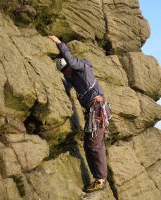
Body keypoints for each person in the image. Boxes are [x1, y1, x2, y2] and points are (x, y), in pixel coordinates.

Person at [48, 35, 111, 193]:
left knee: (95, 145)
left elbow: (72, 61)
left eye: (66, 70)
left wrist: (59, 44)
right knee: (89, 145)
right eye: (64, 71)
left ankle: (101, 179)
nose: (66, 73)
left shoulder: (81, 67)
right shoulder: (73, 76)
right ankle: (98, 178)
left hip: (97, 110)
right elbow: (68, 82)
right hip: (93, 110)